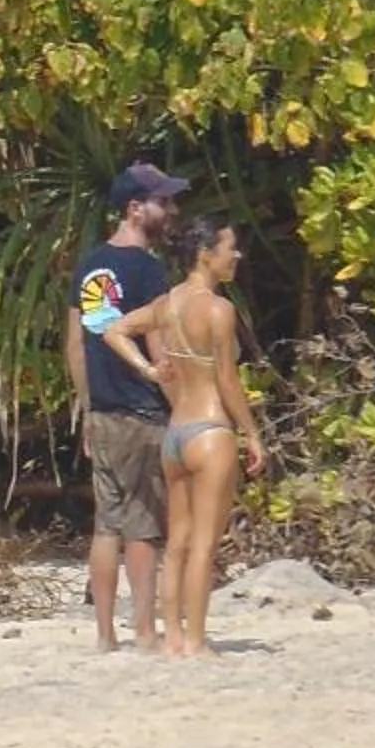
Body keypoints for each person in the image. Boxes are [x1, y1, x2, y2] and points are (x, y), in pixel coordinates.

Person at [102, 215, 266, 660]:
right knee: (204, 545)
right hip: (211, 430)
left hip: (176, 433)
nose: (236, 255)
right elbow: (228, 381)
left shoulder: (168, 304)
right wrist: (252, 434)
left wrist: (148, 370)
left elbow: (114, 328)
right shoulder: (218, 309)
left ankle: (171, 637)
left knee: (176, 544)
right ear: (205, 254)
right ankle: (195, 640)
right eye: (230, 247)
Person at [66, 162, 189, 650]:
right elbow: (159, 349)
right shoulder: (148, 270)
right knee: (142, 527)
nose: (172, 210)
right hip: (142, 410)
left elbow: (75, 344)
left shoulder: (87, 264)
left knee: (106, 524)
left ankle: (103, 635)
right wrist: (184, 412)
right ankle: (142, 631)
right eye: (164, 202)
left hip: (102, 411)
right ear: (135, 209)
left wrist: (86, 407)